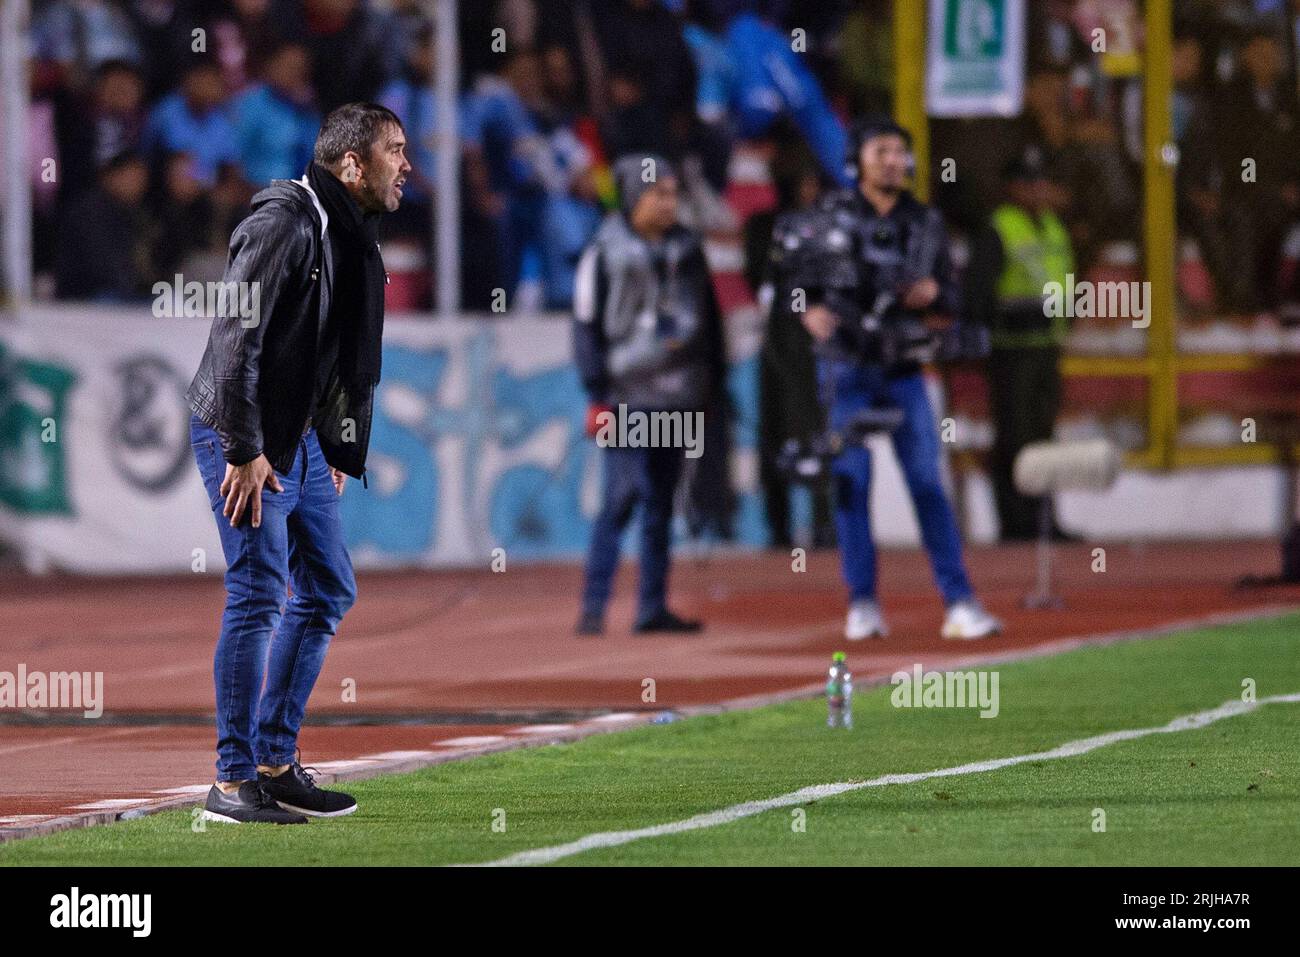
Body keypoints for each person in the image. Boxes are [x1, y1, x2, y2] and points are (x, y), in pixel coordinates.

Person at [186, 102, 410, 824]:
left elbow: (319, 354)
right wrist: (245, 450)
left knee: (328, 588)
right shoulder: (285, 221)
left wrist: (331, 442)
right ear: (352, 165)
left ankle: (276, 763)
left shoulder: (350, 232)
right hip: (244, 430)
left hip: (297, 434)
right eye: (395, 150)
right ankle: (231, 778)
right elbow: (235, 341)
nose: (407, 164)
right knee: (258, 591)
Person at [771, 117, 1001, 641]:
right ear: (857, 159)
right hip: (846, 367)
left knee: (926, 481)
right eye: (882, 151)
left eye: (900, 151)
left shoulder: (925, 224)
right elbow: (789, 286)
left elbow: (953, 298)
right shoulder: (825, 219)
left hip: (902, 368)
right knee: (852, 482)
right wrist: (808, 313)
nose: (893, 161)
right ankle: (863, 601)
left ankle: (960, 600)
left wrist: (934, 298)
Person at [572, 153, 726, 637]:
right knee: (622, 496)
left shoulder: (689, 248)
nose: (668, 202)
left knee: (662, 499)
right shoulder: (603, 250)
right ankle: (594, 606)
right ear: (635, 197)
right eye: (658, 193)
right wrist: (596, 393)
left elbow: (711, 319)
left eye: (673, 193)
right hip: (626, 394)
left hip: (679, 394)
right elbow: (586, 325)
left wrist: (712, 386)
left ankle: (651, 606)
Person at [965, 147, 1075, 543]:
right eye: (1028, 182)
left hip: (1047, 345)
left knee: (1044, 434)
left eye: (1041, 181)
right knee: (1015, 436)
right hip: (1011, 348)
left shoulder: (1052, 226)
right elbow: (979, 290)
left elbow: (1064, 279)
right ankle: (1015, 523)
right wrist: (989, 331)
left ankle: (1045, 519)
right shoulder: (1000, 227)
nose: (1037, 189)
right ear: (1011, 187)